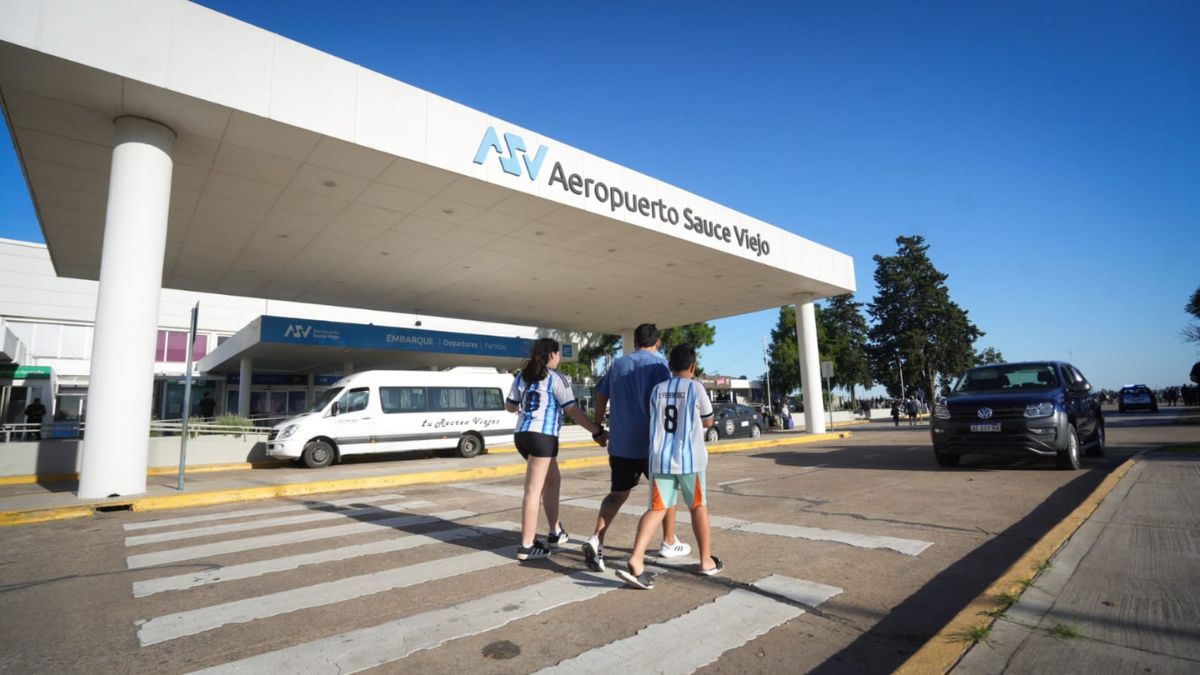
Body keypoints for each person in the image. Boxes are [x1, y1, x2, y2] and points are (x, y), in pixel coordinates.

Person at [583, 323, 688, 573]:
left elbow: (601, 396)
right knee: (667, 492)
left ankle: (597, 538)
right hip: (652, 444)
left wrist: (598, 427)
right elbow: (666, 400)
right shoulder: (660, 365)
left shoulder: (618, 364)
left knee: (617, 494)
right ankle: (669, 541)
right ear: (658, 342)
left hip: (620, 443)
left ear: (634, 342)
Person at [617, 344, 722, 589]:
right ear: (693, 367)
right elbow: (708, 422)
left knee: (656, 509)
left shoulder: (657, 390)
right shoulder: (696, 388)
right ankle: (706, 560)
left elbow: (654, 417)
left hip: (660, 460)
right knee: (698, 506)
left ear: (670, 366)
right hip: (689, 462)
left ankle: (637, 557)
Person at [505, 337, 606, 561]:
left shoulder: (523, 376)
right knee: (533, 490)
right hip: (544, 436)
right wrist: (596, 431)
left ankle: (555, 532)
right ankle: (526, 546)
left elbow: (510, 407)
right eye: (558, 353)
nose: (559, 358)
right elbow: (572, 410)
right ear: (551, 354)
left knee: (553, 481)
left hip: (522, 434)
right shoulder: (557, 378)